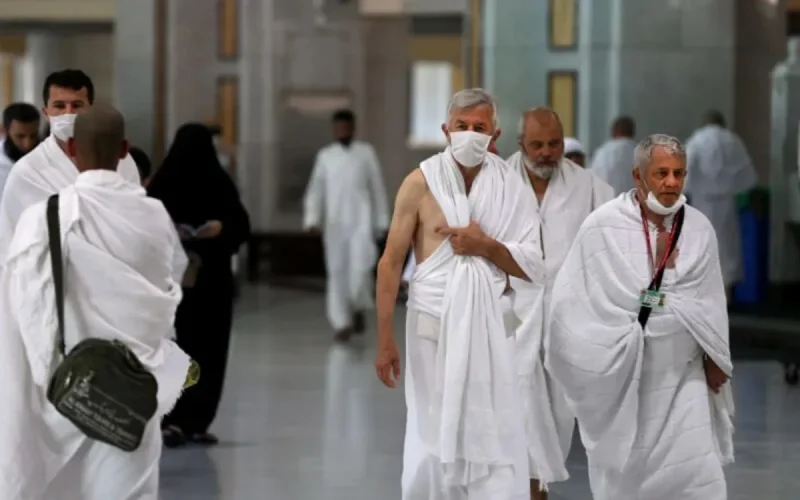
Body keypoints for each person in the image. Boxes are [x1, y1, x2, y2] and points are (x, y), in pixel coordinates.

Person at [0, 104, 192, 499]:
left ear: (71, 151)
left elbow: (25, 309)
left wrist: (44, 376)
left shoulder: (44, 217)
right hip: (135, 388)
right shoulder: (155, 216)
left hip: (67, 389)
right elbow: (167, 288)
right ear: (124, 150)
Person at [375, 88, 545, 500]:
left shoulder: (511, 186)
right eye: (461, 127)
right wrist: (384, 340)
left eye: (479, 128)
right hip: (430, 322)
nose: (470, 134)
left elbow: (534, 265)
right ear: (445, 130)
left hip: (490, 324)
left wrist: (484, 245)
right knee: (432, 422)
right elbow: (390, 262)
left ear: (495, 134)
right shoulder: (419, 183)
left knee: (494, 418)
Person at [544, 134, 734, 499]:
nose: (671, 183)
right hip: (624, 383)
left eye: (679, 173)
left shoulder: (698, 227)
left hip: (684, 379)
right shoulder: (602, 227)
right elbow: (575, 308)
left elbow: (708, 301)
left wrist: (716, 352)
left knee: (699, 478)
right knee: (630, 485)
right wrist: (655, 266)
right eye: (661, 173)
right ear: (638, 175)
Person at [505, 108, 614, 499]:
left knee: (557, 411)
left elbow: (614, 242)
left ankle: (540, 485)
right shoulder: (496, 183)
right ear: (520, 145)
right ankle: (527, 488)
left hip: (569, 318)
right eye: (537, 145)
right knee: (517, 403)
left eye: (554, 143)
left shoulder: (589, 186)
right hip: (512, 315)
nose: (547, 153)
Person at [148, 123, 251, 448]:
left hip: (211, 284)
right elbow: (145, 227)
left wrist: (220, 229)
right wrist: (172, 232)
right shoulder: (161, 187)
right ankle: (171, 419)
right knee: (174, 350)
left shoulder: (220, 185)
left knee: (209, 352)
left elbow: (241, 225)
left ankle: (197, 420)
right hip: (173, 287)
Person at [0, 69, 140, 255]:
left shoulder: (120, 159)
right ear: (46, 111)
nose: (68, 113)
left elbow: (135, 218)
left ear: (90, 109)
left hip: (117, 268)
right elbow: (11, 239)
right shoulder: (27, 172)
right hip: (54, 275)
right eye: (59, 106)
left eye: (77, 105)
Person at [304, 109, 389, 342]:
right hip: (335, 224)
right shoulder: (325, 156)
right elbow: (316, 190)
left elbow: (377, 188)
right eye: (337, 127)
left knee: (361, 268)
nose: (341, 131)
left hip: (362, 221)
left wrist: (382, 220)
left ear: (353, 127)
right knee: (337, 272)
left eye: (345, 127)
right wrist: (313, 218)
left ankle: (358, 306)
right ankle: (342, 323)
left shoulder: (366, 153)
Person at [685, 110, 757, 301]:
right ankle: (726, 296)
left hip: (702, 203)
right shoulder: (732, 141)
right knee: (727, 249)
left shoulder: (697, 140)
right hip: (726, 203)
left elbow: (685, 169)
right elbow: (747, 174)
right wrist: (740, 191)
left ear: (704, 122)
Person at [0, 103, 40, 199]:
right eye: (20, 136)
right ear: (6, 130)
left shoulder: (50, 159)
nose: (27, 144)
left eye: (33, 136)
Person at [589, 115, 637, 194]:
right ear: (633, 132)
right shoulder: (642, 153)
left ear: (613, 131)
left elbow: (592, 181)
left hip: (608, 202)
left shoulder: (603, 152)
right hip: (634, 203)